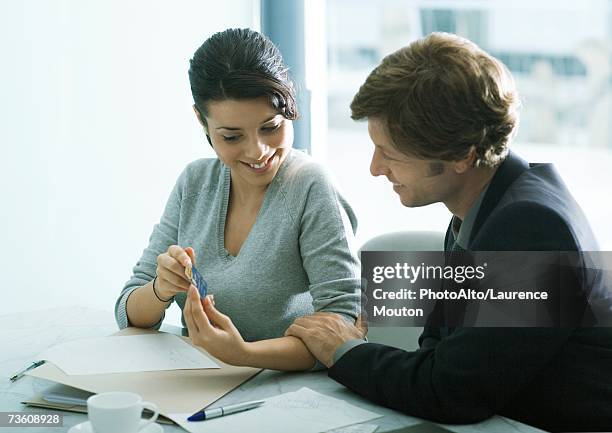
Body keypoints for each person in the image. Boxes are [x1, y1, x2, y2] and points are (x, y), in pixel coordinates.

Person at [286, 32, 612, 431]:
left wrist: (344, 350)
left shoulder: (531, 227)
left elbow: (452, 392)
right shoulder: (482, 206)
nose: (375, 168)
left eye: (390, 153)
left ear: (461, 155)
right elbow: (436, 349)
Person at [115, 28, 360, 371]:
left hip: (286, 393)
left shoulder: (310, 186)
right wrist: (160, 289)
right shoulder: (195, 182)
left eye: (271, 127)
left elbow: (342, 330)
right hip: (199, 386)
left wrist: (243, 354)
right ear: (202, 121)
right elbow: (127, 312)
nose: (257, 151)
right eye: (232, 136)